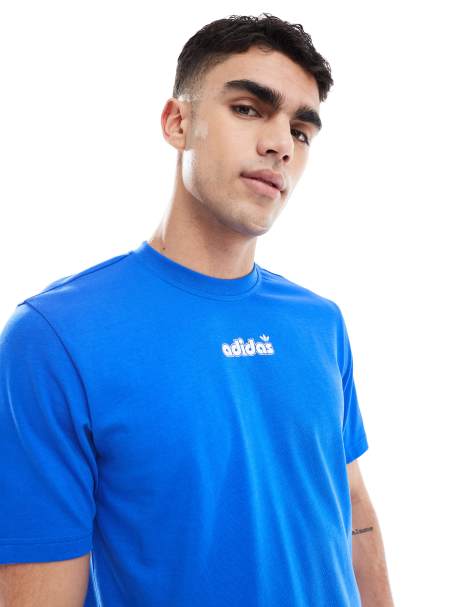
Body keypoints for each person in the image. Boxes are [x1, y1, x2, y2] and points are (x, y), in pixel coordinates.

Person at [0, 13, 395, 607]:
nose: (280, 145)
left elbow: (353, 508)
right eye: (248, 109)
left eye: (301, 130)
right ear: (177, 122)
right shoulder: (55, 337)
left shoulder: (319, 322)